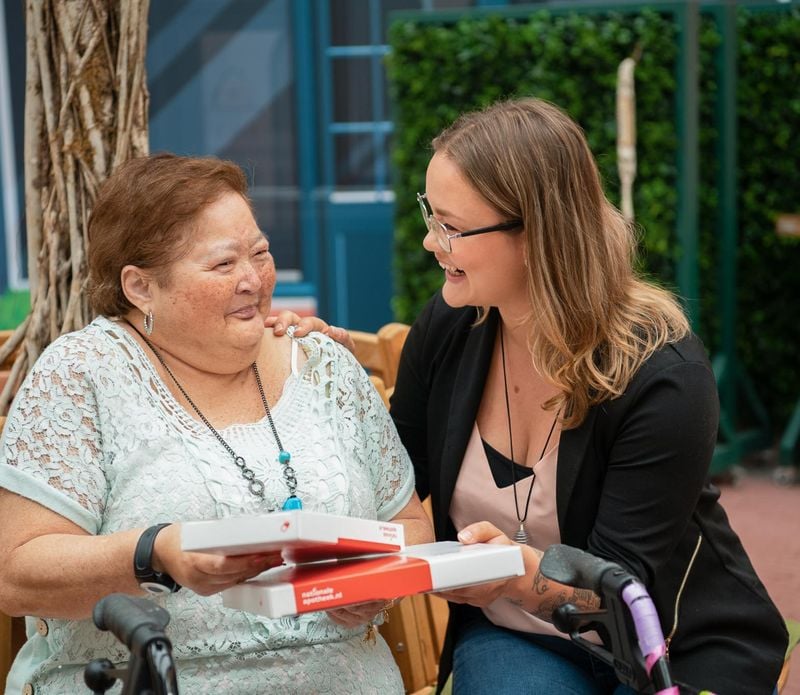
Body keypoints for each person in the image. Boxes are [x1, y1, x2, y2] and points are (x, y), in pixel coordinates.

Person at [276, 98, 788, 694]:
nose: (427, 241)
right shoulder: (450, 328)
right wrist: (325, 384)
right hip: (518, 636)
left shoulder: (662, 375)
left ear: (537, 234)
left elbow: (623, 594)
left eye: (450, 226)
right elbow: (388, 489)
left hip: (672, 642)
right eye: (429, 214)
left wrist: (516, 580)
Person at [0, 153, 433, 694]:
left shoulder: (322, 363)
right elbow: (15, 573)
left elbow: (410, 526)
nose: (254, 279)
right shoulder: (82, 374)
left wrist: (373, 583)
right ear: (141, 288)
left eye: (261, 253)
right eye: (223, 265)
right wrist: (155, 554)